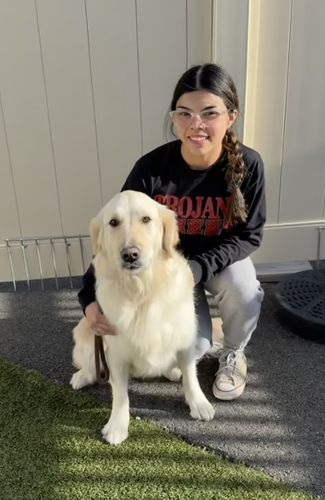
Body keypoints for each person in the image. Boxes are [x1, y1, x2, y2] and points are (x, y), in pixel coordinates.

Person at [78, 63, 266, 401]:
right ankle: (211, 334)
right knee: (188, 352)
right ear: (174, 116)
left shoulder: (248, 166)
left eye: (209, 113)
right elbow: (117, 234)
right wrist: (88, 300)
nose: (196, 125)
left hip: (215, 265)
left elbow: (249, 236)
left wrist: (197, 269)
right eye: (185, 113)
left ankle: (233, 352)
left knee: (244, 287)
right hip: (167, 269)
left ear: (231, 116)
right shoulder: (150, 169)